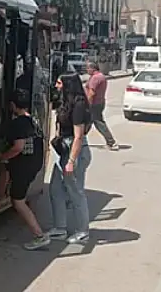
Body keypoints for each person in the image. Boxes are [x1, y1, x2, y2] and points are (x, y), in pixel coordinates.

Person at [0, 89, 49, 250]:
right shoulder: (34, 120)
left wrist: (2, 156)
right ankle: (3, 195)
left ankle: (39, 235)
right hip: (34, 163)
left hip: (24, 166)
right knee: (19, 195)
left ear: (13, 105)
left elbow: (18, 147)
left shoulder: (18, 123)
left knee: (18, 201)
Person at [47, 73, 92, 245]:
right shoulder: (65, 102)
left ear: (68, 85)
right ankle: (60, 227)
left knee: (75, 192)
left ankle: (83, 231)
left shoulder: (79, 105)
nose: (56, 86)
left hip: (75, 150)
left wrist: (71, 161)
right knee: (55, 188)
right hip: (65, 149)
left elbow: (78, 136)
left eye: (59, 83)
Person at [84, 61, 119, 151]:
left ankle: (111, 142)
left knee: (98, 122)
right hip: (99, 103)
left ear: (92, 68)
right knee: (87, 122)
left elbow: (91, 93)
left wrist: (88, 105)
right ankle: (80, 140)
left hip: (94, 104)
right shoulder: (101, 76)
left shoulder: (95, 78)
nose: (86, 70)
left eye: (87, 68)